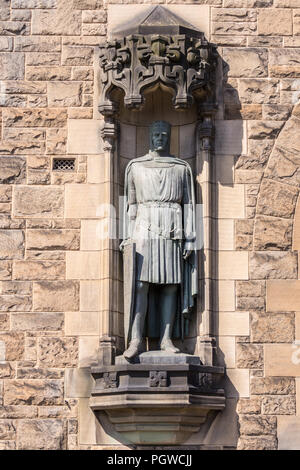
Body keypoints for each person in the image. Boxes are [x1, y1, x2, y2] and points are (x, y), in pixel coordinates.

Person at [121, 120, 197, 360]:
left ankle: (166, 340)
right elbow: (130, 206)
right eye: (156, 134)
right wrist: (127, 236)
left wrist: (190, 239)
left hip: (173, 229)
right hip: (144, 227)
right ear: (149, 136)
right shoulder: (135, 167)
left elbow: (189, 206)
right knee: (140, 285)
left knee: (171, 286)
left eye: (165, 134)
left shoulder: (181, 168)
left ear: (170, 137)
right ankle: (135, 339)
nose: (160, 138)